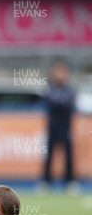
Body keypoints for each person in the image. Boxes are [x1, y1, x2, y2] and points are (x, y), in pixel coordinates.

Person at [41, 61, 78, 194]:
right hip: (52, 128)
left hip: (66, 128)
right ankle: (46, 181)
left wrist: (60, 102)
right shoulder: (50, 88)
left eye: (63, 72)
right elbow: (51, 102)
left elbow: (69, 103)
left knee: (69, 155)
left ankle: (70, 181)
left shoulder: (69, 90)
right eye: (58, 71)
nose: (60, 75)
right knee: (49, 155)